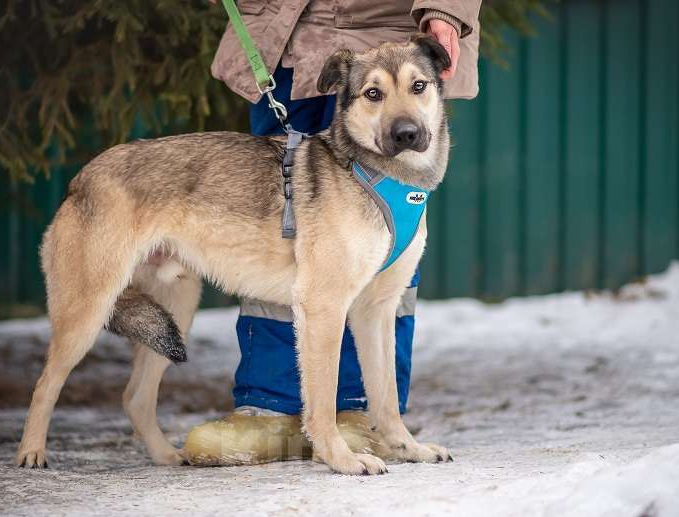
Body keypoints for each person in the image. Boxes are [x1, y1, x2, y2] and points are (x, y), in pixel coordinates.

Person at [185, 0, 482, 465]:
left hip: (388, 23)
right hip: (283, 36)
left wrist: (447, 11)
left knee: (384, 277)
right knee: (276, 252)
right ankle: (273, 408)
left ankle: (366, 415)